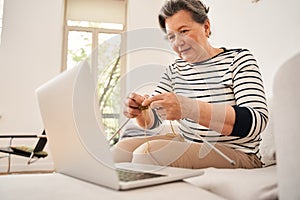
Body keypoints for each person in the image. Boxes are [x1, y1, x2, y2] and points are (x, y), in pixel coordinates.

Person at [111, 0, 268, 169]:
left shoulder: (238, 60)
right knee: (120, 151)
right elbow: (153, 121)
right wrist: (140, 112)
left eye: (184, 31)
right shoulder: (175, 69)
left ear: (206, 27)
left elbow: (256, 121)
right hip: (188, 142)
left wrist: (189, 108)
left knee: (148, 153)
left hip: (236, 152)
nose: (178, 42)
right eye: (171, 36)